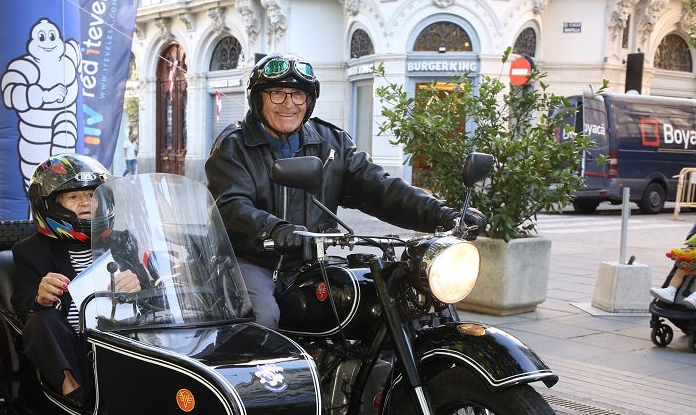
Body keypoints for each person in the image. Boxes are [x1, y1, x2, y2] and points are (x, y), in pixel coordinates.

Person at [205, 52, 486, 328]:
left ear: (309, 100)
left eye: (298, 94)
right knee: (264, 316)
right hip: (255, 259)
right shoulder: (234, 145)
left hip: (312, 260)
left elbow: (381, 188)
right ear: (258, 98)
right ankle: (258, 375)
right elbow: (231, 206)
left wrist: (443, 214)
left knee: (381, 302)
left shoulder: (331, 143)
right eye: (277, 93)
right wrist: (274, 229)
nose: (289, 104)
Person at [11, 153, 148, 400]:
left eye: (91, 195)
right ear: (51, 204)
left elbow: (153, 298)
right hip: (72, 346)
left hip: (120, 339)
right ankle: (75, 395)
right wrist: (40, 298)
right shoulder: (30, 251)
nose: (85, 203)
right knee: (42, 320)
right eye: (73, 197)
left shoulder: (122, 240)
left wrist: (138, 284)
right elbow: (23, 308)